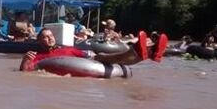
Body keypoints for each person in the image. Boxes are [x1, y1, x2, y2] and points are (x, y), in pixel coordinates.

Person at [20, 28, 168, 72]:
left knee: (100, 56)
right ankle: (138, 51)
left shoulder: (68, 49)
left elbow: (87, 54)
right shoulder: (37, 56)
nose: (49, 38)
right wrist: (24, 61)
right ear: (39, 41)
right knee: (102, 57)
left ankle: (149, 52)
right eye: (45, 37)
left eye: (51, 35)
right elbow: (25, 73)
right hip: (72, 70)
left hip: (90, 62)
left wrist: (92, 54)